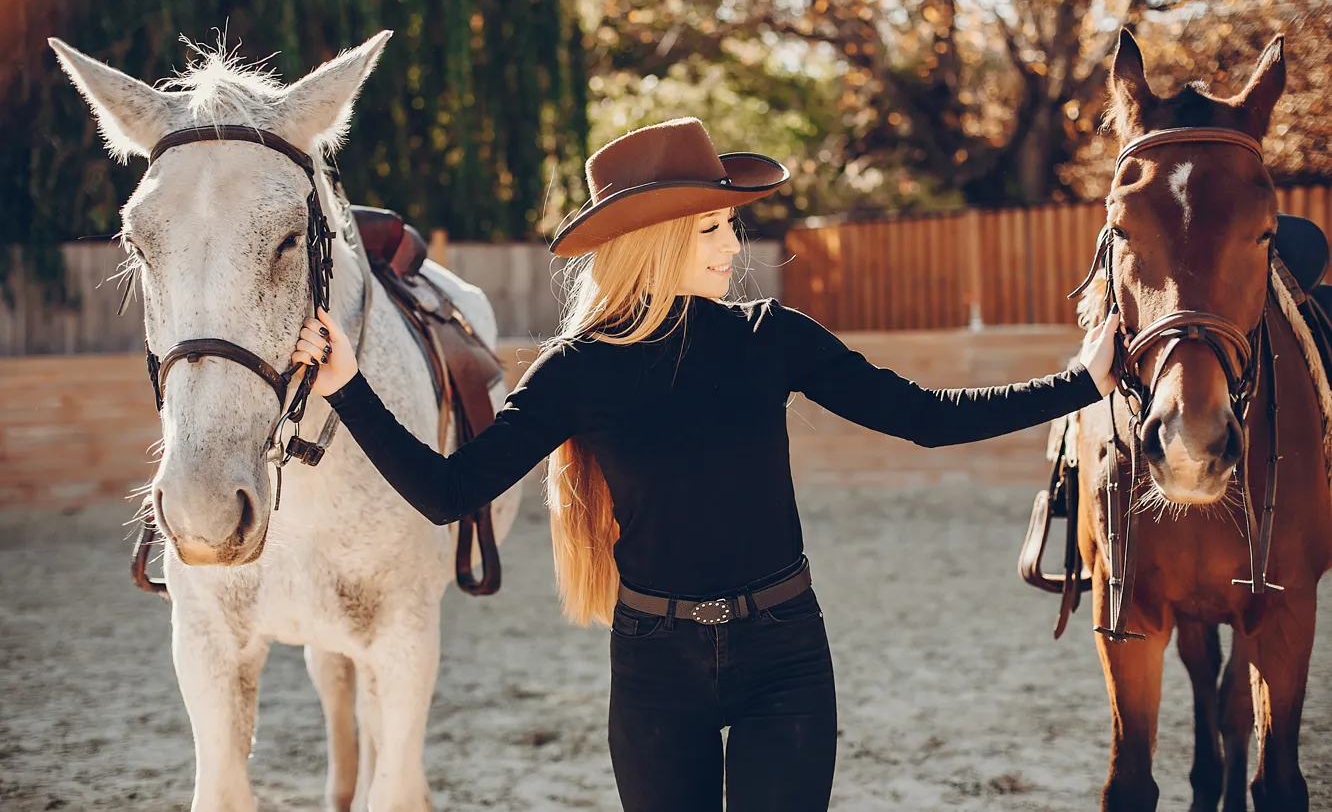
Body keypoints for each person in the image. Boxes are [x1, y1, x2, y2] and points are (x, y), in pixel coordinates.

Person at [291, 117, 1119, 812]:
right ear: (659, 242)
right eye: (715, 227)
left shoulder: (772, 337)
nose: (735, 243)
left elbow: (925, 419)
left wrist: (1080, 381)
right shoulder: (577, 370)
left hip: (784, 651)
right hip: (654, 662)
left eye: (731, 225)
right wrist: (348, 388)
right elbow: (450, 491)